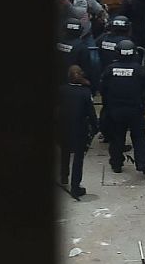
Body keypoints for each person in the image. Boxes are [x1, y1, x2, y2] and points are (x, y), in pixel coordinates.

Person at [99, 39, 145, 175]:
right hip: (135, 110)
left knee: (117, 138)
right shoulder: (140, 70)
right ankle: (142, 162)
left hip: (115, 110)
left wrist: (107, 107)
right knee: (139, 137)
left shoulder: (110, 70)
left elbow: (102, 89)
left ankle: (116, 164)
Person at [59, 65, 98, 199]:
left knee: (64, 151)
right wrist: (95, 127)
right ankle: (75, 186)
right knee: (78, 158)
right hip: (79, 129)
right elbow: (91, 113)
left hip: (62, 127)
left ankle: (63, 176)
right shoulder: (85, 93)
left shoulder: (61, 90)